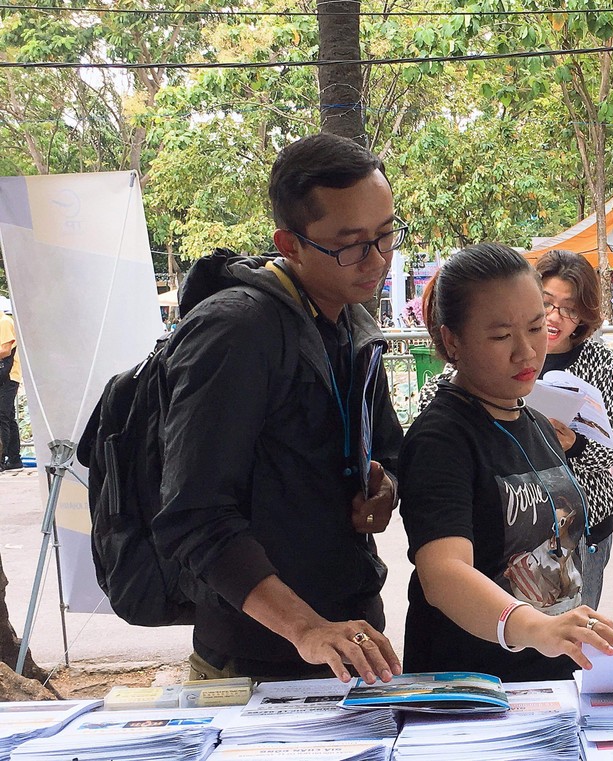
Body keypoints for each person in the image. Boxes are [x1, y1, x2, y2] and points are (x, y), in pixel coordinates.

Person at [151, 133, 405, 684]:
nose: (377, 259)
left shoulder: (353, 320)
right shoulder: (236, 332)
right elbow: (194, 517)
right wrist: (307, 629)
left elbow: (387, 450)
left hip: (351, 645)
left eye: (386, 234)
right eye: (350, 243)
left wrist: (383, 487)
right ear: (288, 244)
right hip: (253, 666)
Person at [399, 243, 613, 682]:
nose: (526, 352)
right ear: (452, 341)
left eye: (536, 327)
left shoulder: (534, 419)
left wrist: (573, 619)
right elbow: (444, 573)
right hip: (474, 689)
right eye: (502, 336)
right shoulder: (442, 436)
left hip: (548, 682)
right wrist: (535, 626)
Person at [0, 304, 22, 471]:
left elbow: (5, 350)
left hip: (8, 376)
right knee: (8, 417)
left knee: (2, 417)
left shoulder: (4, 322)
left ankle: (1, 459)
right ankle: (14, 458)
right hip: (7, 376)